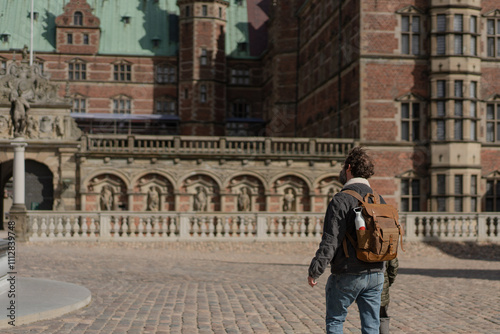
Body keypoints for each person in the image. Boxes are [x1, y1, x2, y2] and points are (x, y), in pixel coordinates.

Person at [307, 147, 385, 334]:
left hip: (348, 272)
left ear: (348, 168)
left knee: (335, 320)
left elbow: (330, 240)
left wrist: (315, 271)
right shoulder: (379, 199)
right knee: (372, 326)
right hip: (376, 274)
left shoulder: (341, 200)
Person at [380, 258, 398, 334]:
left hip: (361, 277)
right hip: (381, 282)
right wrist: (388, 283)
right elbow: (393, 265)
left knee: (368, 317)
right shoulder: (387, 245)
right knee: (381, 316)